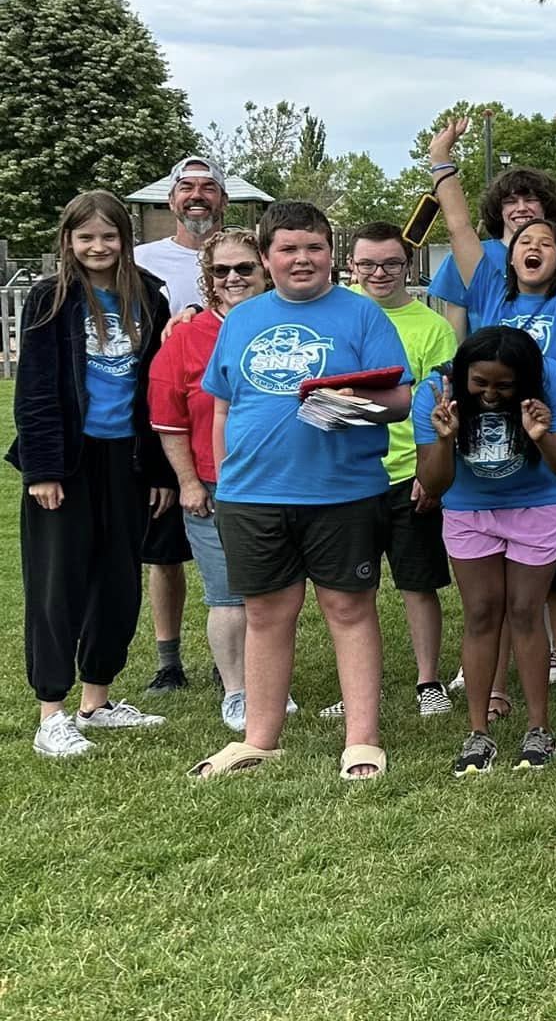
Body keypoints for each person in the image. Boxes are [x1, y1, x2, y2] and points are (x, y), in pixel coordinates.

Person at [189, 201, 413, 780]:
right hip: (251, 495)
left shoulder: (362, 315)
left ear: (330, 254)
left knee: (349, 609)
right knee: (266, 613)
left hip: (343, 492)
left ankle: (361, 740)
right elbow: (223, 406)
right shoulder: (242, 319)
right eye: (287, 248)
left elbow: (400, 400)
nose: (302, 258)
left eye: (314, 247)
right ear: (267, 259)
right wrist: (224, 478)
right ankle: (259, 740)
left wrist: (353, 402)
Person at [431, 110, 556, 722]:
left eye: (546, 242)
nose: (533, 246)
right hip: (490, 459)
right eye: (523, 242)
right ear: (506, 257)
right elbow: (458, 224)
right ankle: (498, 688)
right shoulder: (487, 290)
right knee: (497, 589)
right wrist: (441, 160)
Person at [15, 191, 176, 756]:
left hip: (127, 459)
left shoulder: (148, 296)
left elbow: (157, 389)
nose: (98, 246)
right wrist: (42, 469)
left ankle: (97, 702)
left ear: (125, 239)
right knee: (58, 584)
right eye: (86, 237)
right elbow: (35, 388)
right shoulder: (51, 298)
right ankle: (52, 713)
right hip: (68, 461)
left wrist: (159, 470)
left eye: (109, 235)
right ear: (69, 241)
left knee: (118, 582)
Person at [416, 328, 556, 773]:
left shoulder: (553, 381)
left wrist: (542, 436)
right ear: (463, 375)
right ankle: (478, 733)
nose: (490, 395)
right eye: (480, 383)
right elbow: (433, 484)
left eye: (504, 386)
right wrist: (445, 440)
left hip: (540, 504)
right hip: (469, 508)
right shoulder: (436, 393)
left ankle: (538, 728)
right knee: (480, 613)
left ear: (526, 380)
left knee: (526, 611)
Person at [150, 228, 274, 732]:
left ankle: (269, 683)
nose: (233, 278)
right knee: (227, 594)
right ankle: (237, 691)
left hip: (280, 482)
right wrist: (189, 482)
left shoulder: (285, 323)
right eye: (221, 270)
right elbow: (169, 420)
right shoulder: (186, 336)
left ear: (265, 270)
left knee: (273, 593)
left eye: (244, 267)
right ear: (208, 278)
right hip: (214, 483)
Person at [351, 221, 458, 719]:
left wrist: (429, 469)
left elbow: (442, 404)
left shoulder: (432, 327)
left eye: (391, 263)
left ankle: (428, 681)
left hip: (407, 473)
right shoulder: (338, 313)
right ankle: (358, 685)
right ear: (352, 265)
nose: (379, 273)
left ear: (408, 266)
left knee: (418, 583)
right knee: (353, 589)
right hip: (350, 473)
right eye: (368, 264)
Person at [134, 156, 226, 693]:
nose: (197, 195)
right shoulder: (144, 261)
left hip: (224, 427)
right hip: (168, 421)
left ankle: (227, 656)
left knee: (234, 554)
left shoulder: (247, 256)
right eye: (186, 187)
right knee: (164, 553)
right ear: (171, 200)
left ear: (222, 199)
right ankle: (168, 661)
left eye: (208, 187)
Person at [425, 155, 556, 339]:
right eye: (510, 201)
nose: (521, 208)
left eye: (530, 200)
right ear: (499, 210)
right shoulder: (467, 258)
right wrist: (440, 157)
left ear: (546, 206)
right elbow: (456, 336)